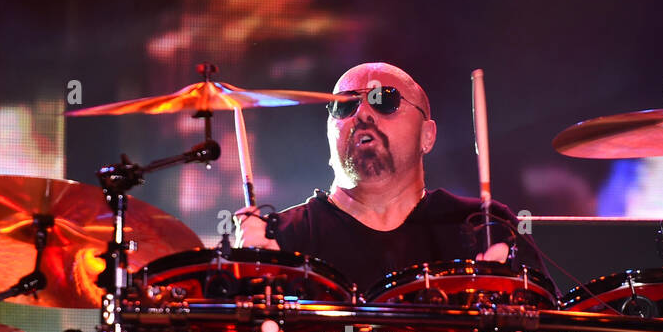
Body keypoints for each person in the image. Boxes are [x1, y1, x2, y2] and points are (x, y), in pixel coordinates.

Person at [233, 62, 547, 290]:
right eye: (344, 107)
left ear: (427, 135)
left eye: (384, 100)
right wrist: (251, 278)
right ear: (328, 134)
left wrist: (512, 298)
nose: (363, 114)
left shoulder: (484, 225)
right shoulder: (280, 241)